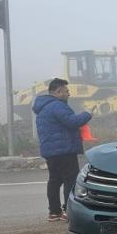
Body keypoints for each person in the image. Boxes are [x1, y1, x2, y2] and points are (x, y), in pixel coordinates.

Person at [33, 78, 94, 222]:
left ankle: (54, 212)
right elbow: (73, 122)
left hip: (50, 151)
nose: (69, 94)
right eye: (66, 91)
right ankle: (69, 211)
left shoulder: (43, 107)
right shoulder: (58, 106)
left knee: (54, 180)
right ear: (58, 92)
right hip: (64, 150)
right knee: (70, 179)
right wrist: (87, 114)